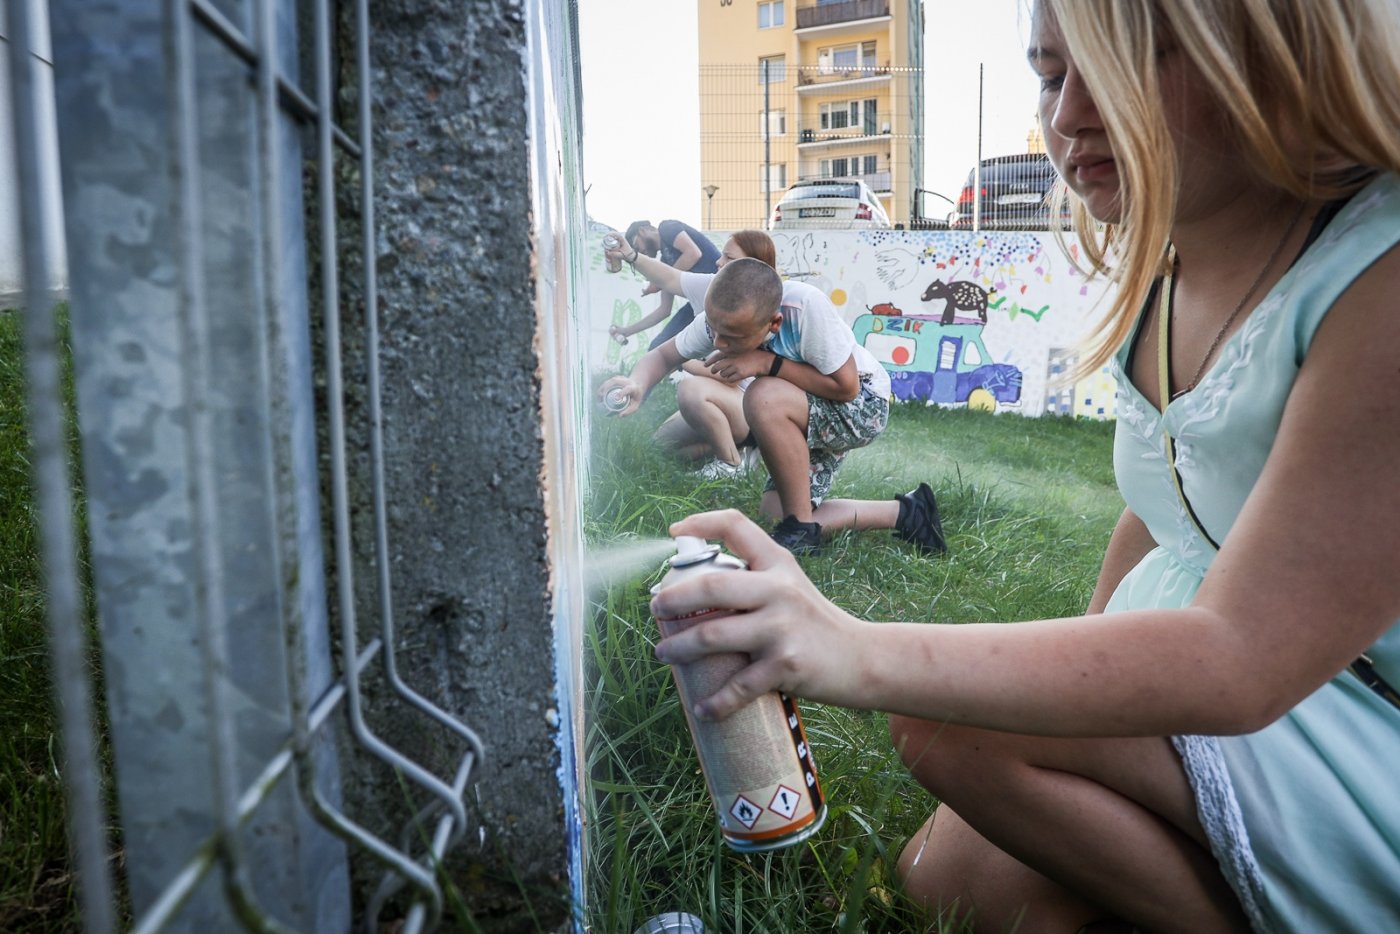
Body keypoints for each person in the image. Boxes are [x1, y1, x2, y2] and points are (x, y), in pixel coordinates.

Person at [647, 0, 1400, 930]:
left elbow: (1243, 657)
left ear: (1273, 57)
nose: (1070, 116)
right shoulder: (1170, 256)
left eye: (1127, 65)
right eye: (1051, 76)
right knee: (948, 886)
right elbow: (1165, 498)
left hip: (1353, 713)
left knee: (946, 731)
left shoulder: (1382, 275)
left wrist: (851, 646)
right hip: (1210, 663)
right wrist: (1083, 681)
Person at [600, 242, 945, 557]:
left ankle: (801, 531)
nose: (718, 342)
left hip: (862, 406)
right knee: (774, 515)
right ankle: (909, 513)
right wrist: (636, 383)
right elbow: (663, 356)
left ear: (774, 323)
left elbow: (846, 387)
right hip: (806, 409)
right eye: (714, 331)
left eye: (731, 337)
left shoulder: (804, 308)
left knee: (762, 396)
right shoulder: (722, 320)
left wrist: (768, 362)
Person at [609, 219, 721, 350]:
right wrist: (628, 330)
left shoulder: (666, 228)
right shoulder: (665, 264)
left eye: (636, 246)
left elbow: (693, 253)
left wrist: (659, 283)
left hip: (720, 289)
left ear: (643, 231)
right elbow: (664, 310)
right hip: (703, 303)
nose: (640, 251)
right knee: (657, 347)